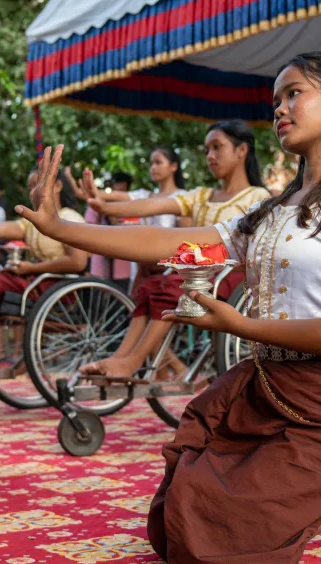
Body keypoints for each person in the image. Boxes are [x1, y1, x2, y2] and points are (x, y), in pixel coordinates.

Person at [16, 51, 321, 564]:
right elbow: (174, 241)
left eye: (294, 94)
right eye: (275, 101)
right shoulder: (274, 209)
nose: (280, 110)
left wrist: (239, 326)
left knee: (221, 543)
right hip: (268, 388)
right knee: (181, 520)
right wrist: (63, 229)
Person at [76, 122, 269, 377]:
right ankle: (121, 357)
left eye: (217, 147)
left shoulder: (258, 197)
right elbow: (149, 206)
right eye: (206, 149)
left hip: (231, 276)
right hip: (196, 273)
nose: (210, 156)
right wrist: (103, 206)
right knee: (150, 287)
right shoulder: (201, 195)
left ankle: (132, 361)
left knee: (171, 286)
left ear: (242, 150)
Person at [0, 168, 89, 368]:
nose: (33, 191)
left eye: (38, 185)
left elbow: (77, 263)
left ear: (58, 186)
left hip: (58, 285)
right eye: (30, 186)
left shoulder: (70, 217)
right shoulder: (32, 220)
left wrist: (31, 268)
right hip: (36, 279)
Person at [74, 148, 188, 377]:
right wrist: (97, 194)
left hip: (171, 270)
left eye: (158, 162)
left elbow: (188, 238)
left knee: (153, 323)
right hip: (144, 268)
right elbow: (120, 198)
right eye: (151, 163)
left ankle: (174, 370)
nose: (153, 167)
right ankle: (167, 375)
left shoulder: (184, 198)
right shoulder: (145, 196)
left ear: (173, 166)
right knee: (144, 319)